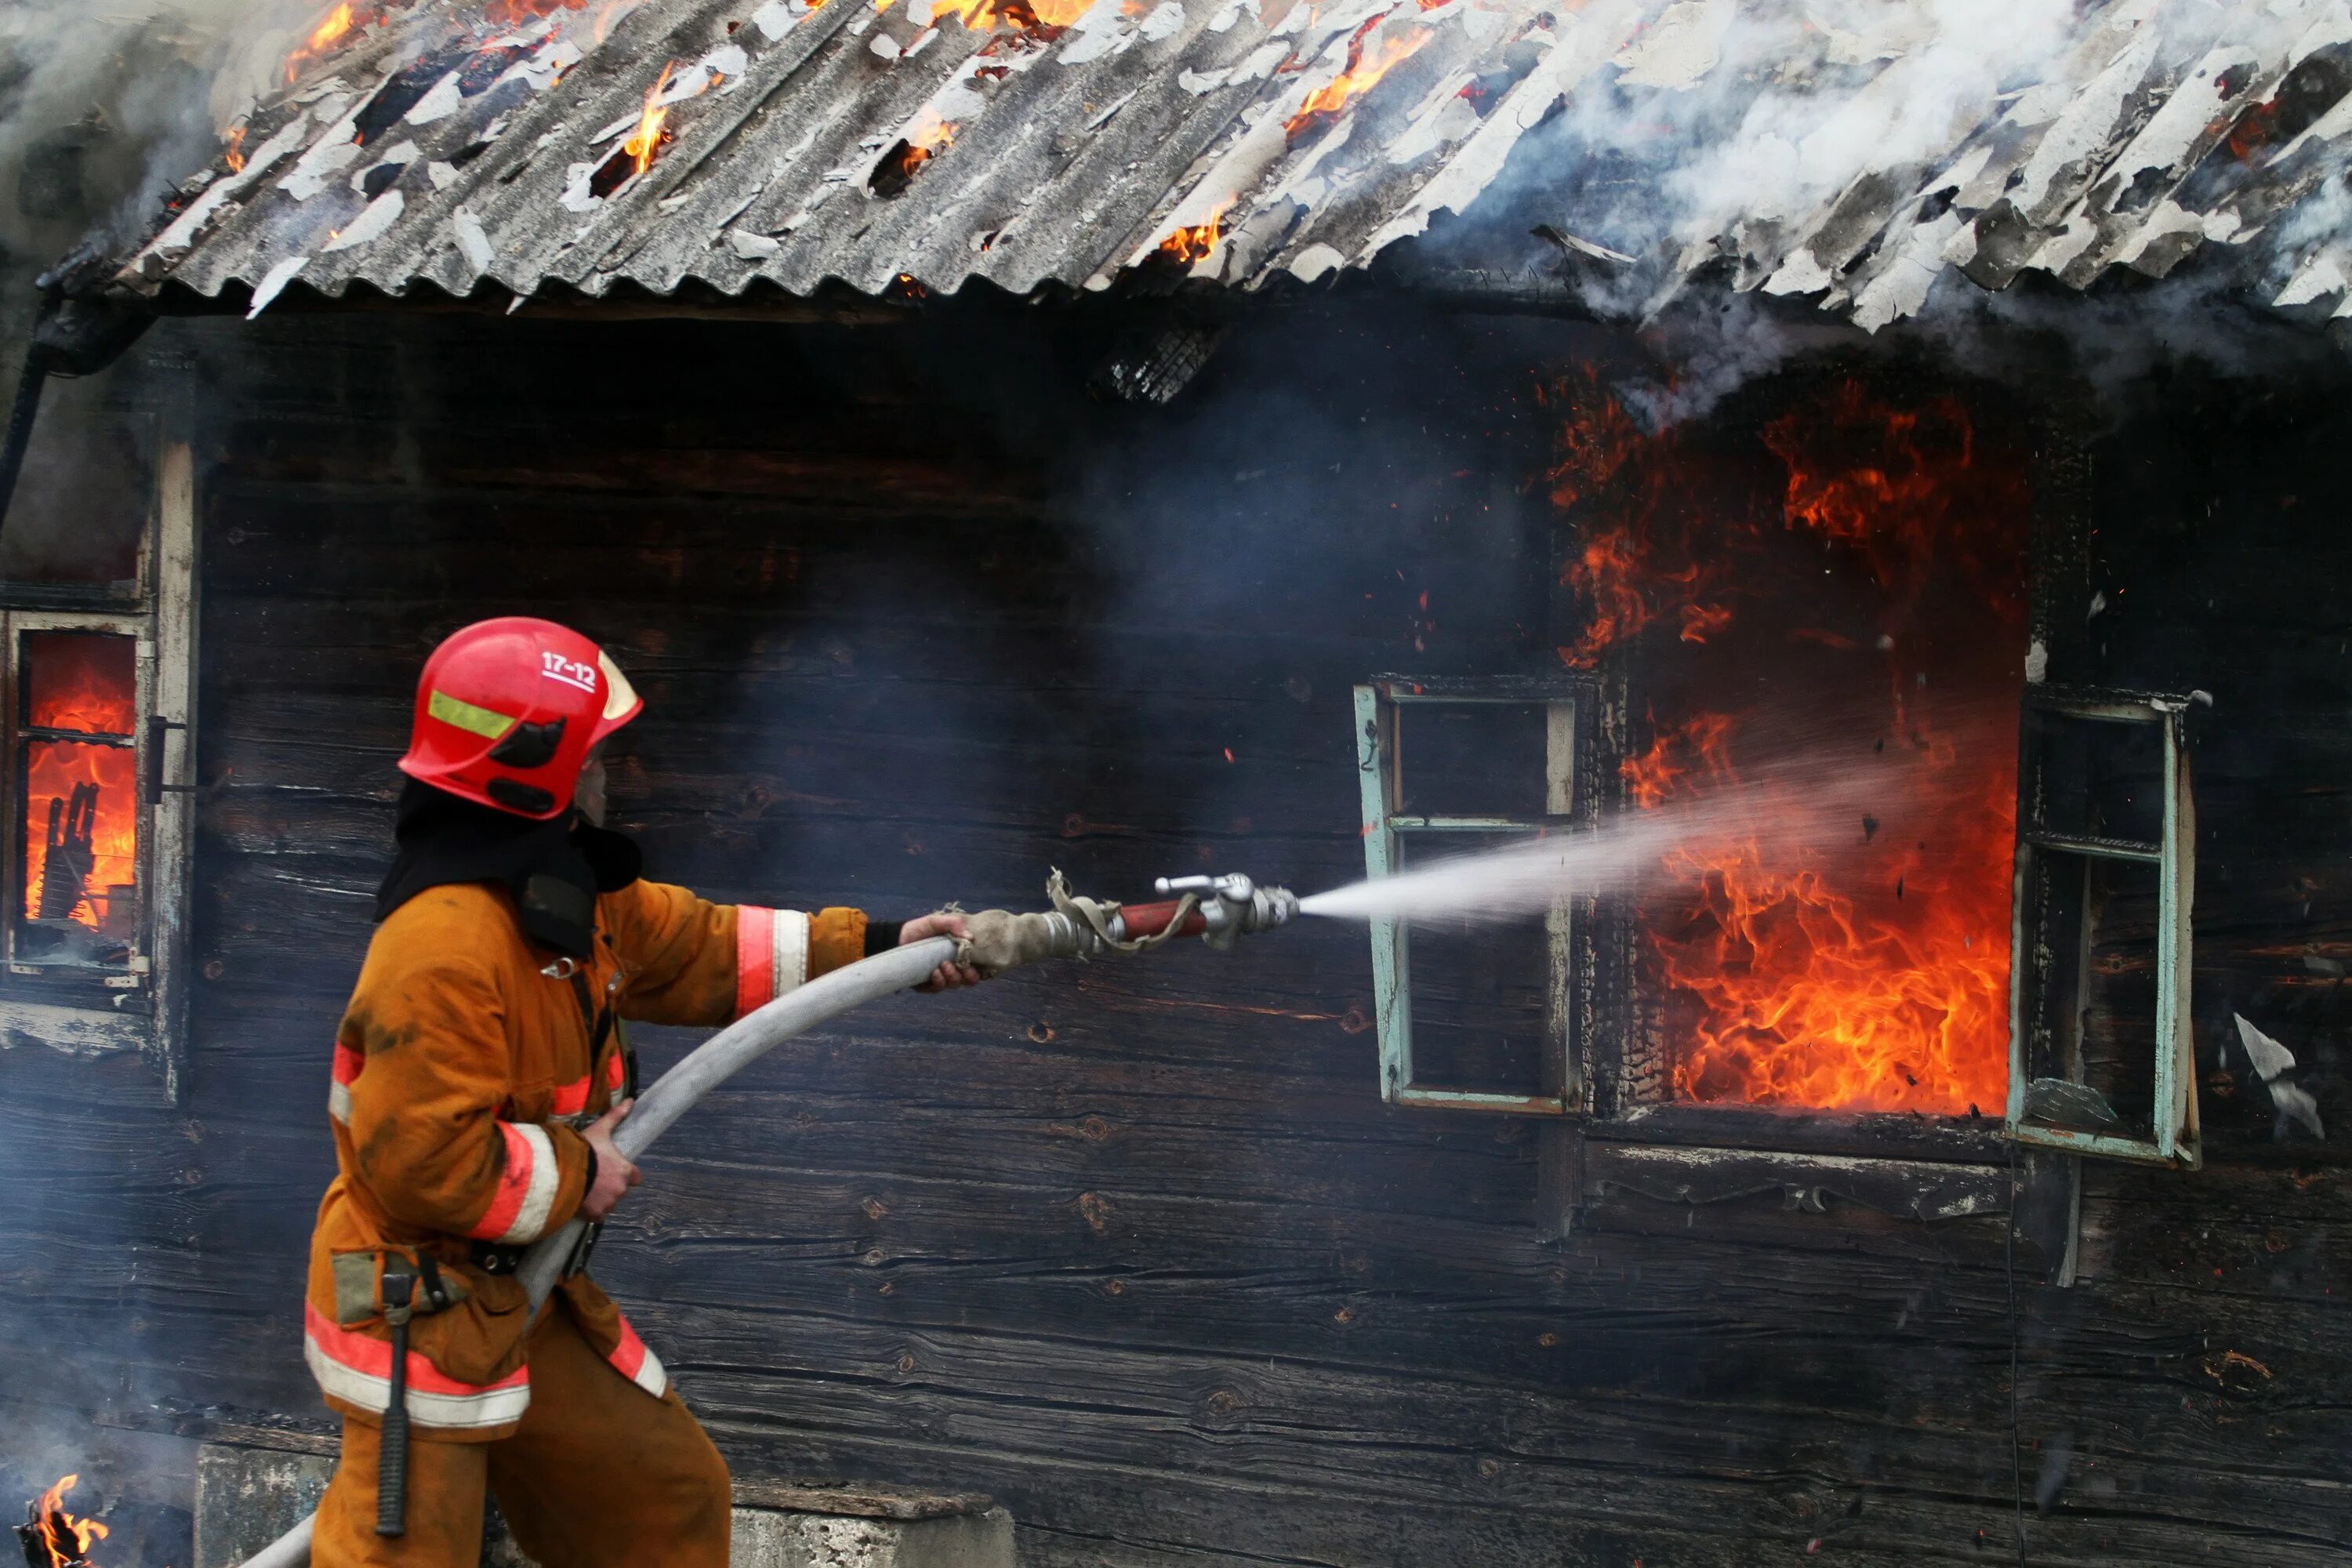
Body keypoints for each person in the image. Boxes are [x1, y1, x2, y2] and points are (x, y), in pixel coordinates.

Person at [305, 617, 979, 1566]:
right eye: (594, 749)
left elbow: (702, 947)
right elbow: (425, 1162)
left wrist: (882, 950)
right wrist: (581, 1167)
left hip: (522, 1295)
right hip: (419, 1315)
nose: (609, 768)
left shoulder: (561, 892)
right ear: (535, 763)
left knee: (661, 1501)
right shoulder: (444, 946)